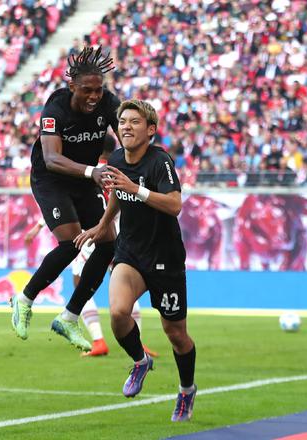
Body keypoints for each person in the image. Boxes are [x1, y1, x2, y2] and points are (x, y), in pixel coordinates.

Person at [75, 100, 196, 421]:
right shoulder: (116, 159)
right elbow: (117, 194)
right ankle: (141, 361)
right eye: (123, 121)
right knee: (118, 313)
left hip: (165, 258)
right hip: (129, 252)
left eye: (135, 121)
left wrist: (135, 188)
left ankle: (186, 390)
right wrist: (102, 225)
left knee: (176, 334)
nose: (126, 126)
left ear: (150, 130)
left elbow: (174, 205)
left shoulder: (160, 162)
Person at [10, 46, 119, 353]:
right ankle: (24, 299)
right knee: (71, 243)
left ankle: (69, 317)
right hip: (52, 179)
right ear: (72, 86)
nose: (94, 97)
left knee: (108, 243)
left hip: (84, 179)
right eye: (87, 90)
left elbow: (126, 136)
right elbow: (52, 158)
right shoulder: (55, 108)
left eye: (98, 90)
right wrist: (93, 171)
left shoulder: (109, 103)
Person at [24, 137, 159, 358]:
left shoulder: (86, 171)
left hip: (92, 234)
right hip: (120, 235)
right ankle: (138, 341)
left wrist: (38, 226)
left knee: (80, 284)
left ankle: (98, 340)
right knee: (126, 287)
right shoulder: (118, 170)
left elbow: (67, 203)